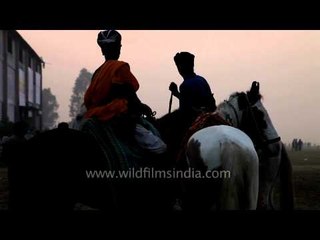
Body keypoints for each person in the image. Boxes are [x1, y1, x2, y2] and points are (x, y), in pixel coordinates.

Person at [83, 29, 166, 155]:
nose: (119, 49)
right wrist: (143, 107)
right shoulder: (120, 67)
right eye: (118, 46)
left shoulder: (97, 72)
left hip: (96, 116)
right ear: (117, 48)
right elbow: (128, 94)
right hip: (117, 118)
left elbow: (90, 100)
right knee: (160, 148)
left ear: (102, 50)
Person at [169, 52, 216, 120]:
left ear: (180, 68)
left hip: (196, 121)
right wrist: (176, 93)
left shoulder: (184, 86)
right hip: (210, 116)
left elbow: (185, 110)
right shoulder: (201, 79)